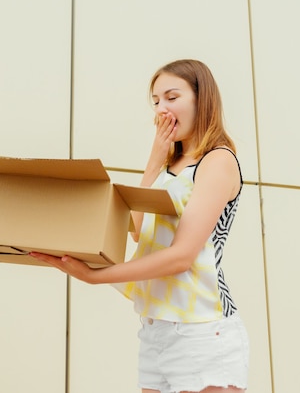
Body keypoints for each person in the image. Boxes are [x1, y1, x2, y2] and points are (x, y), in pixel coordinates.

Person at [30, 59, 249, 393]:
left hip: (202, 330)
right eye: (157, 101)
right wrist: (154, 158)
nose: (162, 109)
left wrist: (94, 276)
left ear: (201, 99)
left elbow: (181, 257)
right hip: (156, 329)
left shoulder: (217, 160)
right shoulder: (168, 167)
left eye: (172, 97)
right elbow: (136, 230)